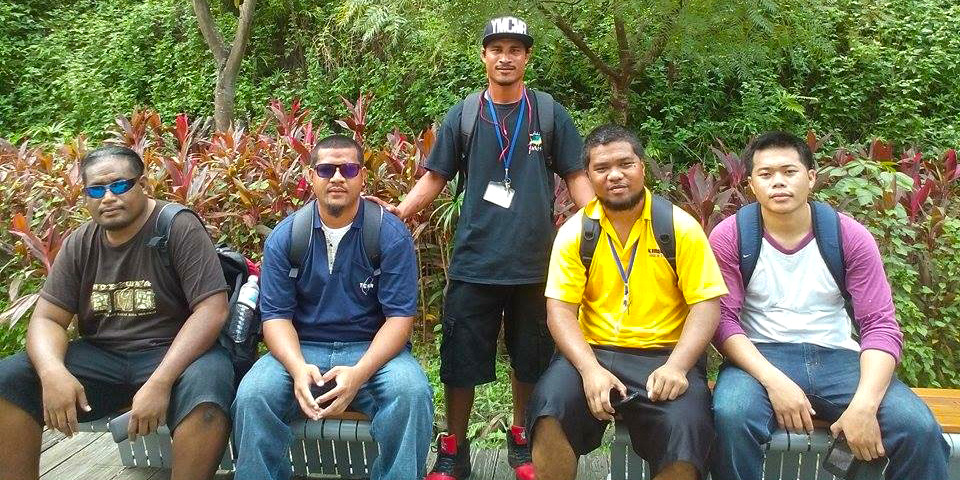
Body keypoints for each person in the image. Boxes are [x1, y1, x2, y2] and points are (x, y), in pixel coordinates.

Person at [368, 15, 594, 480]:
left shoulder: (548, 113)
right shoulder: (466, 114)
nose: (506, 57)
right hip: (474, 262)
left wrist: (602, 224)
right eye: (497, 49)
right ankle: (454, 447)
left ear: (527, 57)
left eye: (515, 49)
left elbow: (575, 176)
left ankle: (520, 438)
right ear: (484, 56)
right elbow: (435, 176)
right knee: (459, 360)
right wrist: (396, 213)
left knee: (530, 357)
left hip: (535, 265)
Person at [709, 131, 950, 479]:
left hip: (837, 357)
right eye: (766, 174)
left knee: (918, 428)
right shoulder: (731, 236)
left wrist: (864, 406)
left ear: (810, 177)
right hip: (759, 358)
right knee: (731, 416)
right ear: (751, 184)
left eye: (789, 172)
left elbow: (880, 325)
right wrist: (775, 382)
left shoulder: (847, 235)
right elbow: (724, 322)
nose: (778, 182)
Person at [0, 146, 234, 480]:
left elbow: (211, 311)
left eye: (119, 186)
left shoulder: (177, 226)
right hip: (104, 357)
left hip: (173, 354)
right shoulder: (81, 241)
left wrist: (160, 382)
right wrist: (52, 372)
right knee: (9, 379)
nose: (107, 197)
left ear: (143, 185)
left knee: (208, 389)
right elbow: (48, 318)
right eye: (95, 190)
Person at [528, 125, 728, 480]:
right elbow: (559, 311)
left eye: (626, 164)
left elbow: (707, 304)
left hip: (664, 355)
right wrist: (589, 370)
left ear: (642, 167)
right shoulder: (577, 232)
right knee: (549, 412)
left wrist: (678, 367)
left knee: (686, 430)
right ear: (588, 176)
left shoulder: (677, 227)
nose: (615, 175)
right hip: (593, 351)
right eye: (602, 168)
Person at [232, 135, 433, 480]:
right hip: (303, 349)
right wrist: (296, 368)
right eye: (326, 169)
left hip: (371, 349)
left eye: (349, 168)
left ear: (362, 178)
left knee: (411, 393)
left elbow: (399, 320)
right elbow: (276, 318)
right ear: (311, 176)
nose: (337, 177)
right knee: (253, 395)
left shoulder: (389, 235)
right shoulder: (287, 236)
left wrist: (359, 374)